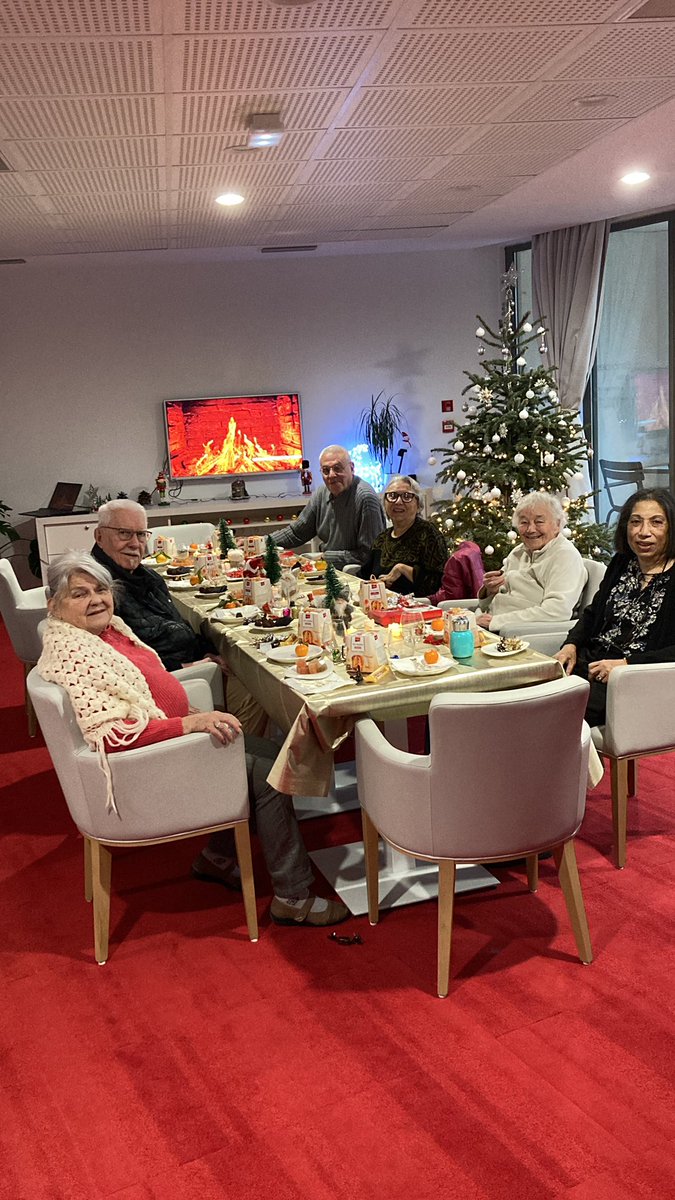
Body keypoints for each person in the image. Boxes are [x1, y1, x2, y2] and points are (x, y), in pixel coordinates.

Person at [37, 552, 349, 927]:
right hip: (147, 767)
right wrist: (189, 725)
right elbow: (115, 735)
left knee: (276, 754)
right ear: (53, 604)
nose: (96, 600)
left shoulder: (103, 631)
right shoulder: (74, 652)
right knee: (271, 774)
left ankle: (218, 857)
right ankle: (293, 896)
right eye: (80, 594)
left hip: (166, 745)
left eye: (101, 589)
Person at [91, 499, 266, 740]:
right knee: (259, 688)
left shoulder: (146, 576)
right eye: (124, 534)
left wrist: (206, 652)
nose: (135, 543)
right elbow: (118, 661)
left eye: (141, 535)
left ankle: (243, 755)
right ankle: (230, 757)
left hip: (192, 663)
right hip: (170, 681)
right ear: (99, 536)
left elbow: (178, 625)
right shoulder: (98, 590)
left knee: (250, 666)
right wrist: (185, 666)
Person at [555, 488, 675, 726]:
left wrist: (626, 666)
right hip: (590, 664)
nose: (644, 532)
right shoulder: (622, 563)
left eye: (656, 523)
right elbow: (593, 611)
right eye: (636, 522)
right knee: (526, 694)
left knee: (554, 711)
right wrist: (571, 644)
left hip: (636, 680)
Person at [475, 491, 587, 631]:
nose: (530, 529)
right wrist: (489, 590)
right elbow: (490, 601)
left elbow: (557, 611)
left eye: (539, 522)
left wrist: (497, 621)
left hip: (518, 634)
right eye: (524, 522)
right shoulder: (518, 552)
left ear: (557, 524)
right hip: (488, 624)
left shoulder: (565, 556)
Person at [271, 444, 386, 570]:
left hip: (353, 574)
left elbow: (369, 555)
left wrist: (324, 557)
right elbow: (297, 532)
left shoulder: (366, 499)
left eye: (337, 468)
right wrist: (263, 542)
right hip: (326, 568)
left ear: (352, 468)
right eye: (326, 470)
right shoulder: (321, 493)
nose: (331, 475)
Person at [359, 476, 447, 596]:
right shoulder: (381, 539)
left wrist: (402, 569)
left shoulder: (428, 534)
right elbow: (363, 576)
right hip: (380, 604)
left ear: (418, 505)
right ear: (384, 503)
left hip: (416, 608)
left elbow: (437, 584)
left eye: (407, 496)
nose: (398, 502)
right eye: (392, 496)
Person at [428, 540, 484, 605]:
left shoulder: (455, 559)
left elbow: (452, 594)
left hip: (456, 607)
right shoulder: (476, 557)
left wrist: (431, 599)